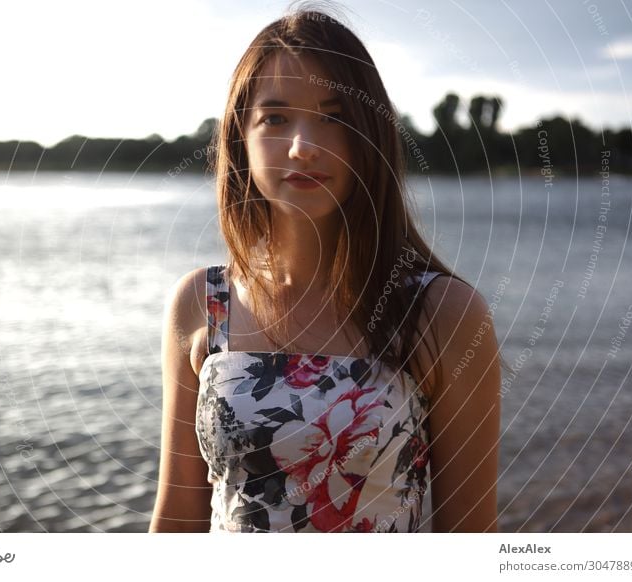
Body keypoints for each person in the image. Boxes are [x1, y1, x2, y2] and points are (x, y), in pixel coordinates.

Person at [149, 4, 501, 533]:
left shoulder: (440, 314)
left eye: (333, 118)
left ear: (370, 138)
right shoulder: (202, 302)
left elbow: (471, 541)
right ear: (240, 139)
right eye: (275, 117)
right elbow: (176, 521)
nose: (303, 147)